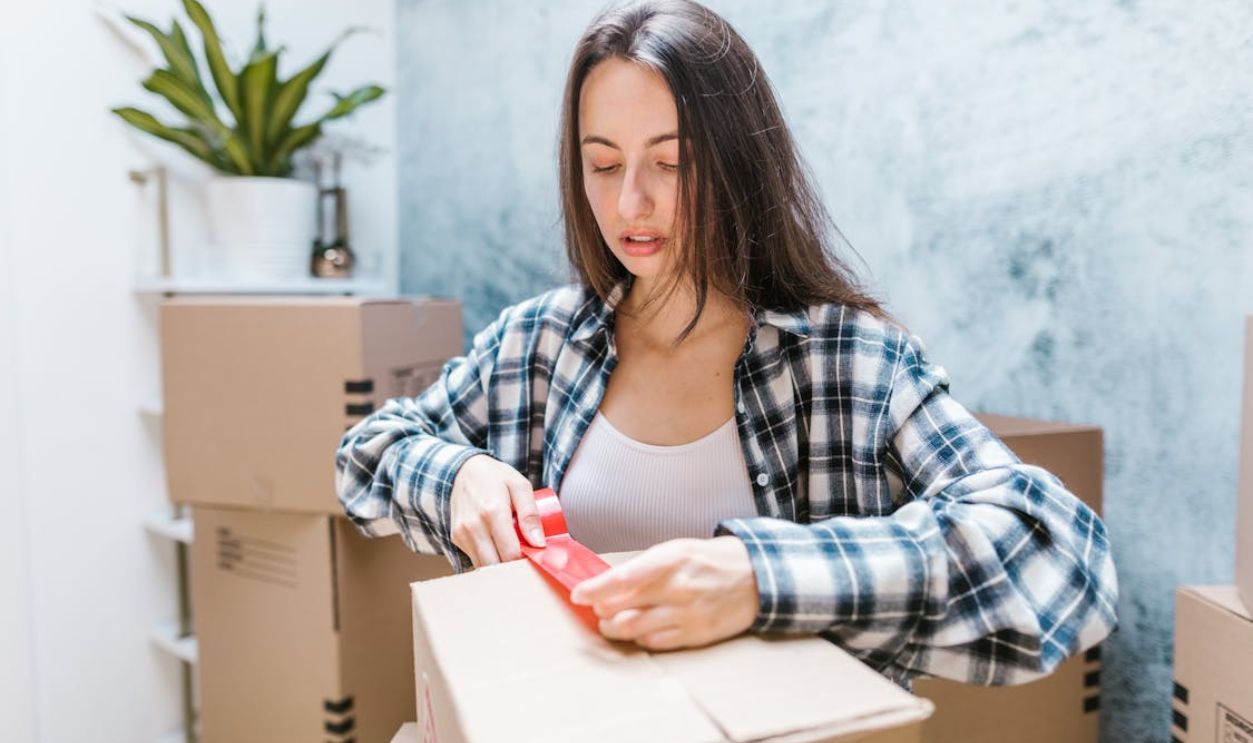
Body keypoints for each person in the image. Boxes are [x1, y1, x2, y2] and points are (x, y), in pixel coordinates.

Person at [335, 0, 1118, 688]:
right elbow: (366, 455)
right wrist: (458, 474)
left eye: (669, 162)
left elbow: (1059, 556)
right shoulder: (539, 343)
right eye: (602, 163)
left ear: (738, 164)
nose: (630, 202)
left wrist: (758, 577)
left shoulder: (848, 362)